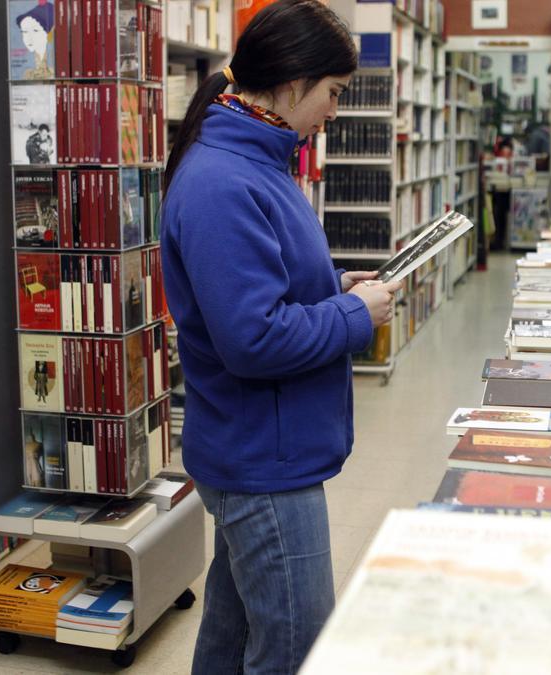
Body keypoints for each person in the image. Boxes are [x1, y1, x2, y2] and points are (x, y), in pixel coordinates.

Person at [159, 1, 401, 673]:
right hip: (262, 460)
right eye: (333, 93)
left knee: (232, 638)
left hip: (263, 446)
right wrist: (355, 316)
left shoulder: (260, 159)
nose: (334, 111)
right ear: (293, 83)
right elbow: (252, 337)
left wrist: (337, 284)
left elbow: (267, 282)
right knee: (295, 646)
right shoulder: (223, 181)